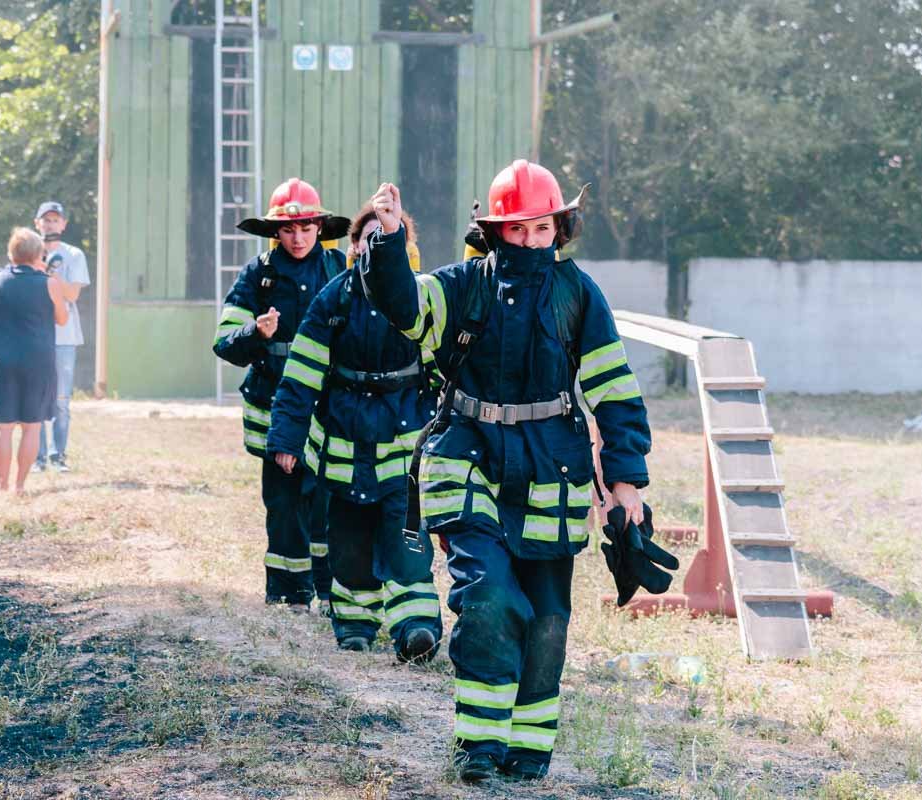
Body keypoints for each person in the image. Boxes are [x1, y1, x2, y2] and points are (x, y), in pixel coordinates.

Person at [361, 162, 652, 783]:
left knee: (547, 619)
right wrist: (386, 242)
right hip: (468, 457)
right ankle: (479, 747)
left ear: (558, 228)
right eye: (516, 230)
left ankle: (528, 752)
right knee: (489, 596)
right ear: (494, 230)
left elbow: (615, 391)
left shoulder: (579, 295)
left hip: (555, 463)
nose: (529, 241)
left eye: (539, 228)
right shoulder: (462, 285)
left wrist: (625, 485)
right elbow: (404, 307)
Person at [266, 200, 443, 660]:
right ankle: (356, 626)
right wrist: (286, 438)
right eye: (370, 237)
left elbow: (446, 366)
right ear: (354, 246)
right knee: (349, 542)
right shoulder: (335, 297)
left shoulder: (422, 295)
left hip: (405, 447)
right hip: (345, 440)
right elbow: (302, 371)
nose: (378, 244)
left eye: (389, 236)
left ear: (404, 245)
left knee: (407, 542)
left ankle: (416, 627)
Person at [213, 178, 348, 612]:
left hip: (327, 408)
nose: (298, 237)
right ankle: (286, 593)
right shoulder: (259, 275)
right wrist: (256, 331)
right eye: (289, 230)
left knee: (329, 501)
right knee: (284, 501)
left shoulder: (339, 267)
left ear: (320, 227)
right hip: (273, 405)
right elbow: (224, 341)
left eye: (306, 228)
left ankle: (329, 591)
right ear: (275, 232)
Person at [0, 228, 69, 494]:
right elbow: (62, 319)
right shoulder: (49, 282)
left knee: (2, 428)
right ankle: (20, 486)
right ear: (39, 254)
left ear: (10, 253)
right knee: (31, 426)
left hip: (1, 361)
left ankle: (2, 485)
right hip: (38, 361)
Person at [32, 201, 91, 473]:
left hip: (65, 337)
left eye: (55, 220)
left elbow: (72, 294)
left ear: (64, 224)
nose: (50, 224)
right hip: (34, 335)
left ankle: (58, 456)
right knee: (35, 398)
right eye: (46, 220)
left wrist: (51, 272)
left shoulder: (74, 255)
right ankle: (37, 457)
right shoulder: (29, 251)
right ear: (37, 224)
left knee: (61, 400)